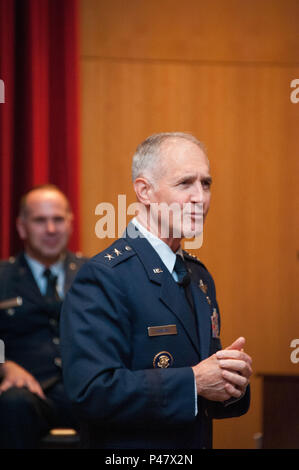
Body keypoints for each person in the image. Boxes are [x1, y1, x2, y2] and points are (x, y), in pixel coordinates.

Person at [60, 133, 252, 449]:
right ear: (145, 191)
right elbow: (90, 392)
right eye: (185, 183)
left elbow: (205, 387)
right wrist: (194, 382)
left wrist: (231, 379)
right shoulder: (104, 276)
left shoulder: (198, 275)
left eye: (206, 184)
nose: (199, 197)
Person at [0, 184, 87, 449]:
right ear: (22, 227)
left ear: (71, 223)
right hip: (28, 394)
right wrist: (3, 365)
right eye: (40, 220)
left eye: (58, 219)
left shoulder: (94, 274)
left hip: (84, 389)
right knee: (12, 403)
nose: (51, 229)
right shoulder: (3, 276)